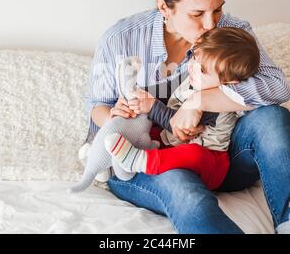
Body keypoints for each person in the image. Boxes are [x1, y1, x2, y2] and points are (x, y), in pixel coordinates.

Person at [85, 0, 290, 234]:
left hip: (215, 157)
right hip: (146, 158)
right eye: (197, 14)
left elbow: (277, 86)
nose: (211, 24)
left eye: (217, 9)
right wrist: (115, 115)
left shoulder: (231, 30)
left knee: (274, 117)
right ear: (164, 7)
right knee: (185, 190)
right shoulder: (120, 39)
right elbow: (96, 107)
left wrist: (198, 102)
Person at [105, 27, 260, 192]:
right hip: (172, 143)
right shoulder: (194, 79)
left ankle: (142, 161)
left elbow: (180, 127)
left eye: (202, 70)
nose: (192, 67)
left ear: (229, 82)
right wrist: (136, 95)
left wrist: (152, 106)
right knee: (140, 128)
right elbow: (164, 92)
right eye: (194, 57)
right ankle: (104, 158)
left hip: (209, 163)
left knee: (194, 154)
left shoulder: (217, 101)